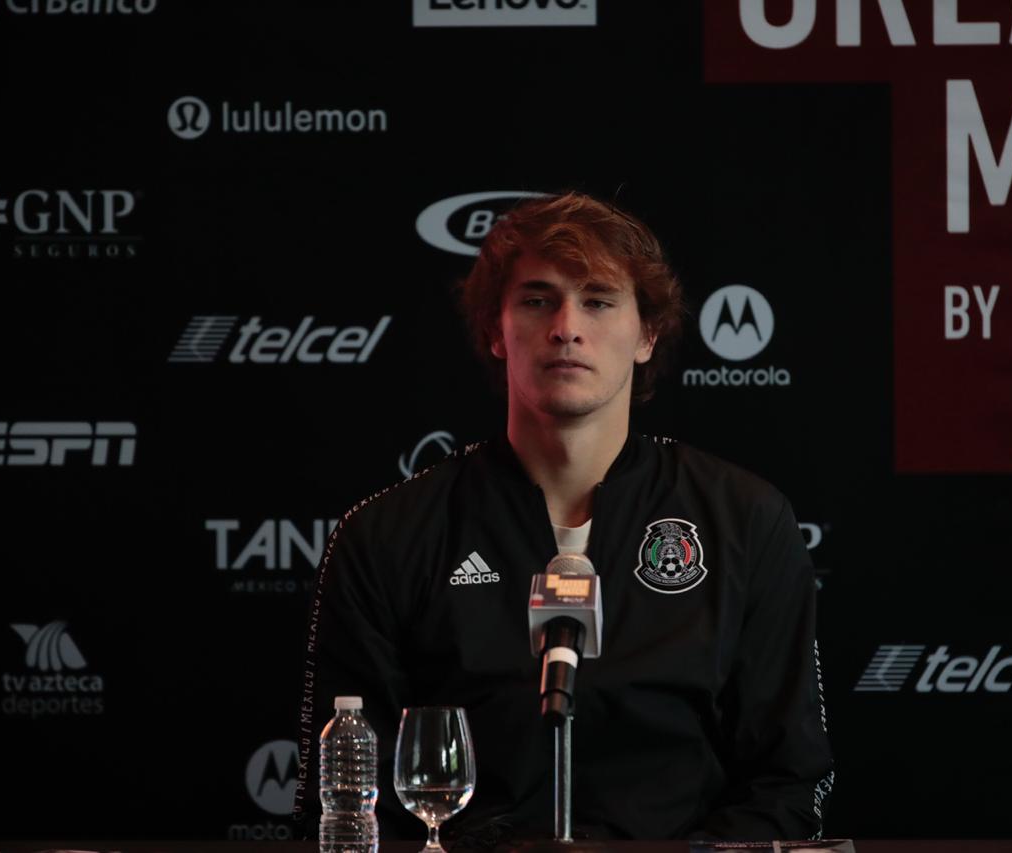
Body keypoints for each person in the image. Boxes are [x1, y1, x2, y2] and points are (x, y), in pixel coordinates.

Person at [294, 191, 833, 844]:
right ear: (496, 330)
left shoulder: (744, 522)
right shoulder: (387, 536)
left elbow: (784, 783)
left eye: (599, 300)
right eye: (537, 299)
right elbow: (350, 802)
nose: (566, 327)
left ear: (647, 333)